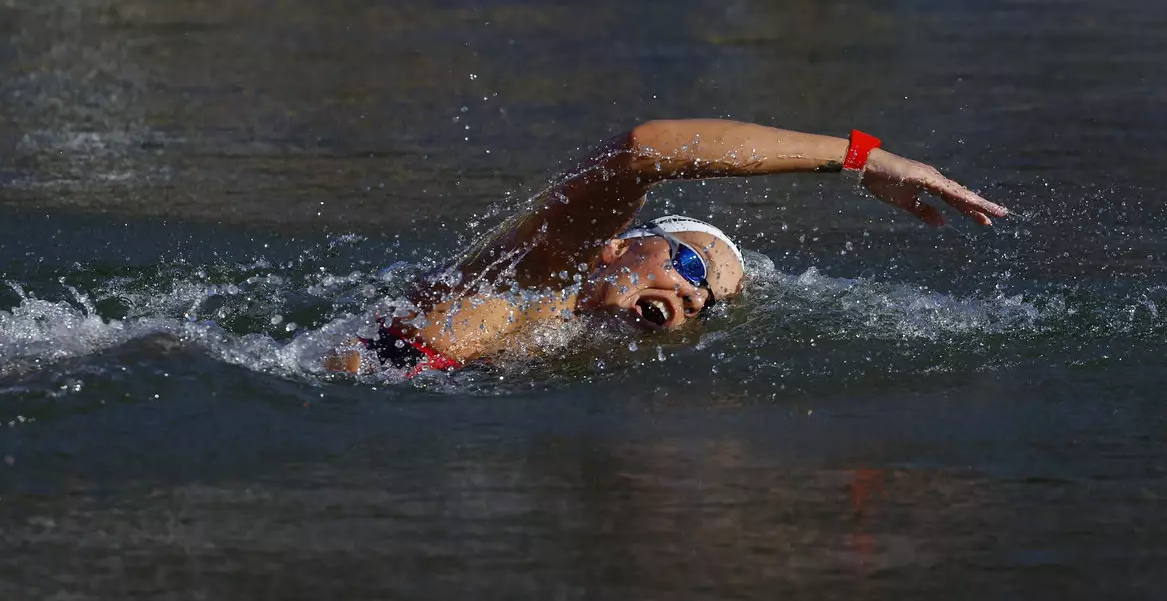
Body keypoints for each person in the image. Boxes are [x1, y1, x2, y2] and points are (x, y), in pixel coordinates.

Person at [324, 119, 1008, 376]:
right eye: (687, 263)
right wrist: (866, 159)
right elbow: (642, 150)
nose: (689, 293)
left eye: (701, 302)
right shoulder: (542, 270)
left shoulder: (562, 354)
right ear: (618, 249)